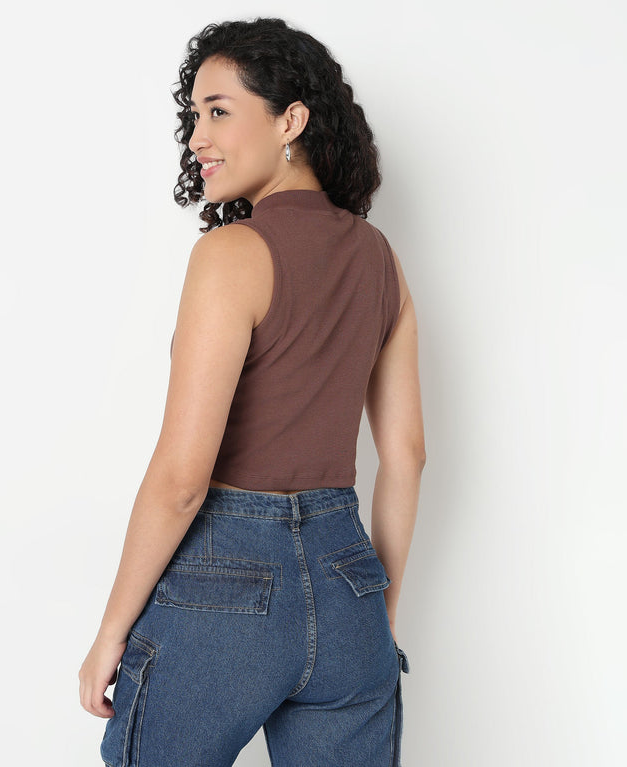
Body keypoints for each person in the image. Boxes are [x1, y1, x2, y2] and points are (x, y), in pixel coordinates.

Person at [79, 18, 425, 767]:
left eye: (219, 111)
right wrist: (377, 609)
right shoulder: (381, 259)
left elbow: (182, 479)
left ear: (290, 121)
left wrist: (110, 632)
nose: (197, 137)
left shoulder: (232, 253)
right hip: (349, 585)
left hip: (226, 587)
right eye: (194, 115)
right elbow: (406, 456)